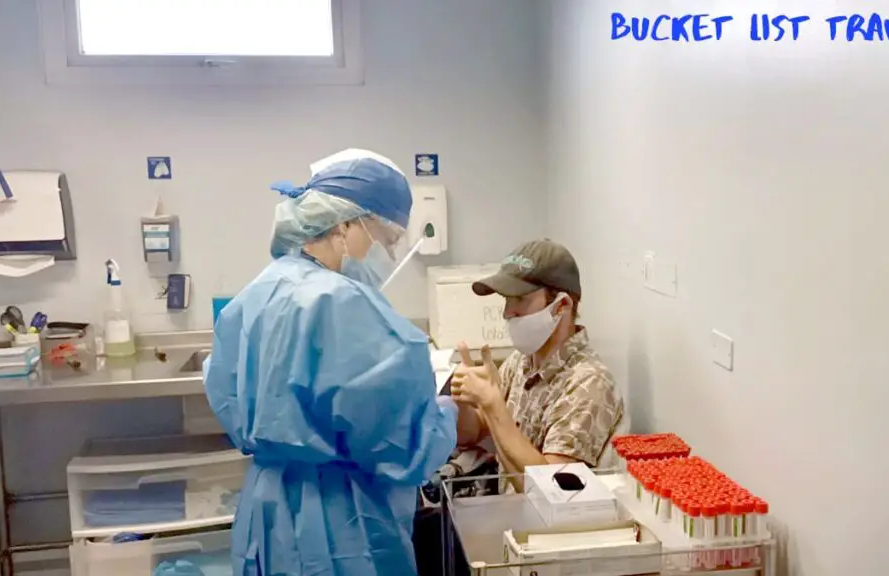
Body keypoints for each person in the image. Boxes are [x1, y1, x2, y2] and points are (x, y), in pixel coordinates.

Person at [202, 149, 459, 576]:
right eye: (388, 239)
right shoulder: (343, 303)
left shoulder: (260, 291)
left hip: (267, 509)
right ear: (346, 226)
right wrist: (446, 413)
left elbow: (228, 389)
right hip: (341, 521)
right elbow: (401, 447)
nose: (388, 254)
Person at [452, 239, 626, 492]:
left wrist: (493, 405)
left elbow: (551, 488)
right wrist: (465, 399)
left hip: (552, 525)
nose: (508, 312)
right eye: (506, 300)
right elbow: (469, 434)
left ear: (562, 306)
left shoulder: (589, 383)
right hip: (512, 514)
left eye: (520, 299)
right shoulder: (521, 361)